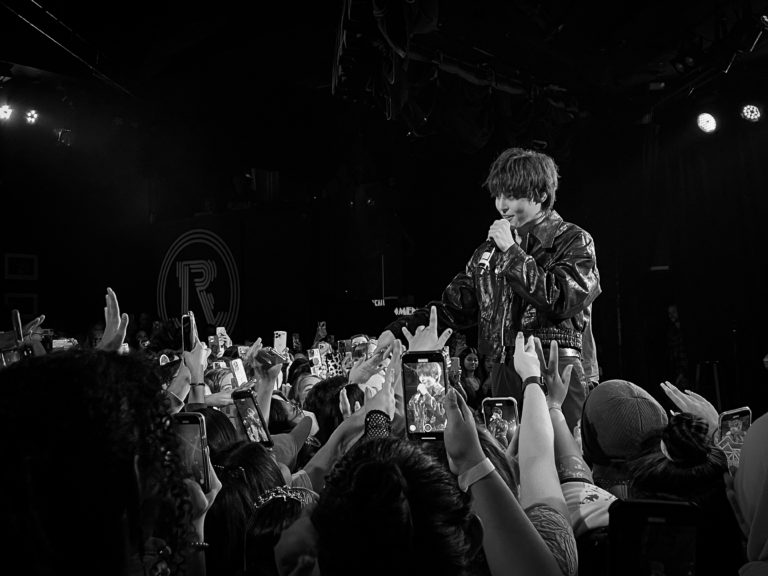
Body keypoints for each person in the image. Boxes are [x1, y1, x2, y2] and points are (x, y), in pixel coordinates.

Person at [376, 147, 600, 431]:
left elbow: (560, 299)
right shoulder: (488, 252)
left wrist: (511, 251)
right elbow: (452, 306)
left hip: (554, 368)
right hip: (503, 370)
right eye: (498, 196)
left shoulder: (574, 240)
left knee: (561, 460)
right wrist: (397, 330)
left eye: (513, 195)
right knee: (509, 459)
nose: (502, 205)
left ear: (542, 195)